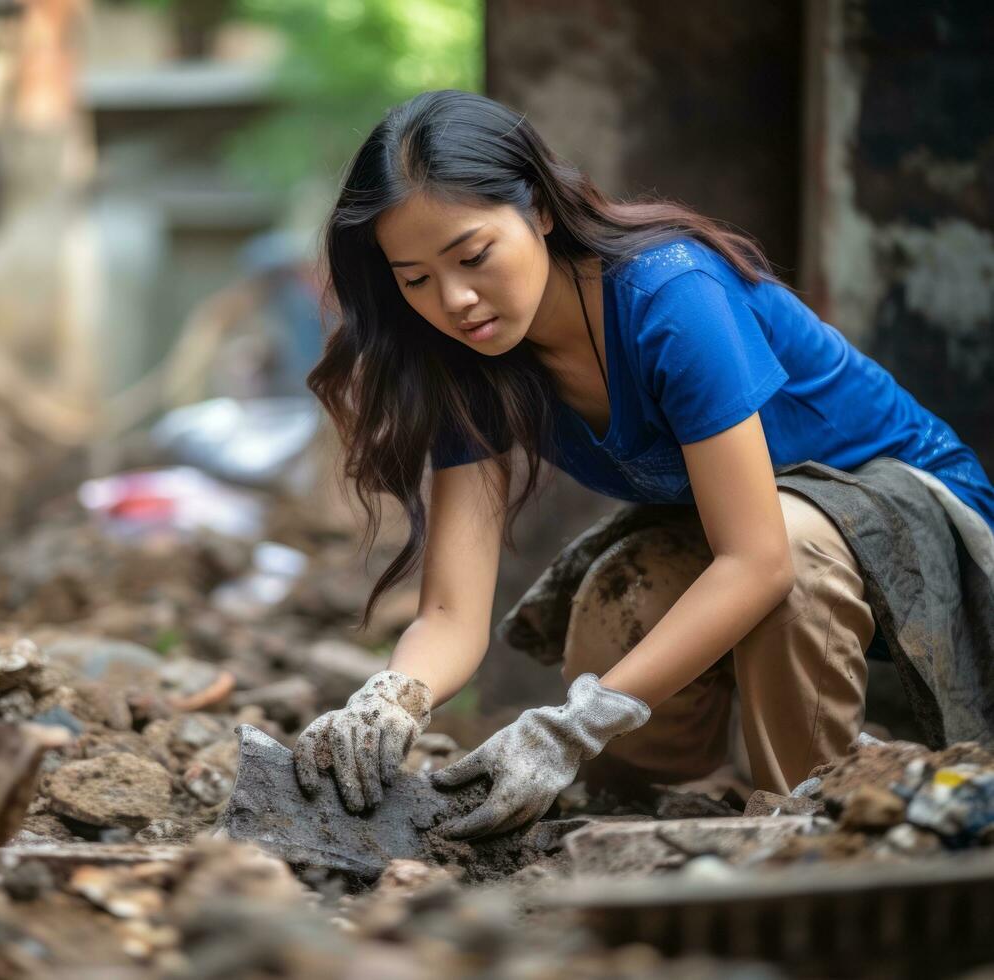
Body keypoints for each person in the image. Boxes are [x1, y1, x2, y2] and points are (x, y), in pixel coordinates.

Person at [290, 89, 994, 841]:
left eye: (472, 256)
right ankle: (647, 816)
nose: (455, 299)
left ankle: (813, 824)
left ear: (538, 210)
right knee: (617, 596)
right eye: (415, 278)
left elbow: (757, 560)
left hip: (917, 525)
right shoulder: (472, 362)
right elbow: (450, 614)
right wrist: (391, 697)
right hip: (762, 542)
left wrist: (568, 726)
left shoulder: (670, 295)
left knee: (790, 547)